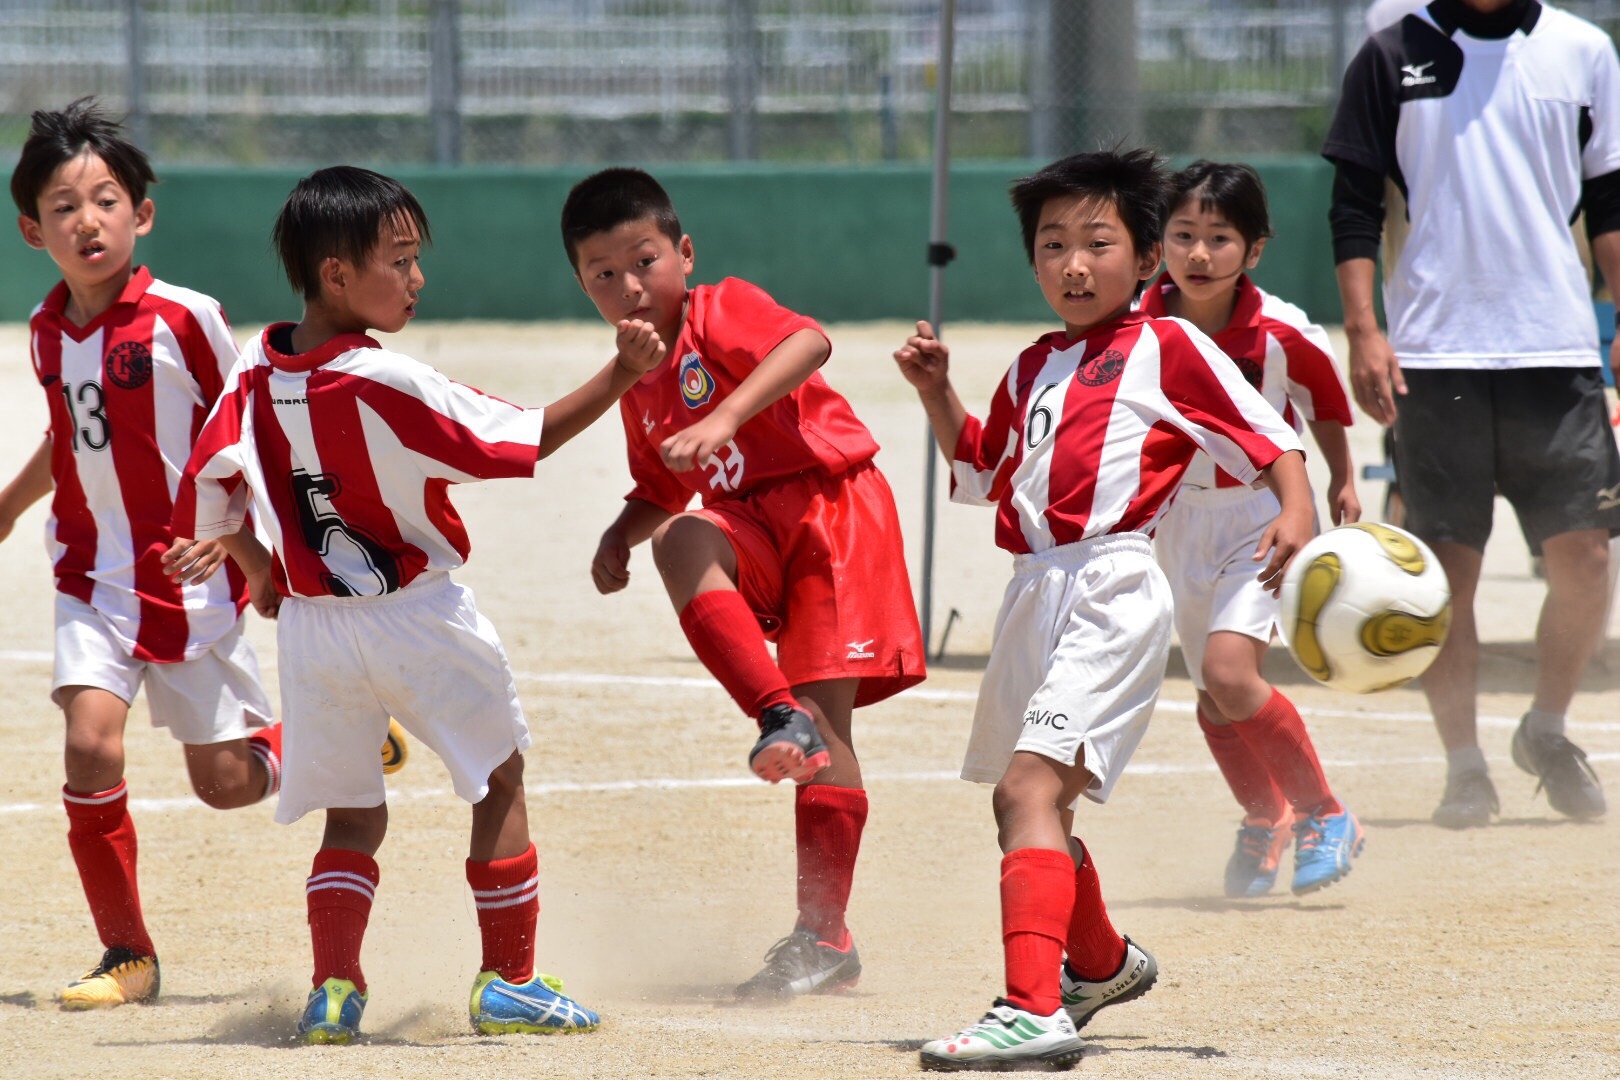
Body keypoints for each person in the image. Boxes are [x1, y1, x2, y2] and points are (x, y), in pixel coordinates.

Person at [165, 165, 654, 1043]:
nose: (418, 278)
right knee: (499, 777)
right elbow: (527, 438)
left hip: (315, 634)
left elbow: (212, 491)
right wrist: (619, 373)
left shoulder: (252, 368)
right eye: (401, 259)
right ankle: (508, 981)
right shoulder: (384, 380)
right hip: (418, 616)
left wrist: (265, 571)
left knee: (353, 811)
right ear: (336, 276)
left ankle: (335, 991)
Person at [894, 148, 1317, 1072]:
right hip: (1031, 590)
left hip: (1113, 586)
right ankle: (1096, 964)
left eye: (1098, 242)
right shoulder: (1034, 363)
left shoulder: (1165, 345)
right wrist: (937, 392)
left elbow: (1266, 434)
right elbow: (980, 472)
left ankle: (1029, 1009)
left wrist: (1297, 507)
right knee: (1020, 813)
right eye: (1053, 245)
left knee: (1030, 791)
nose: (1073, 265)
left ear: (1145, 260)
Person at [0, 97, 345, 1011]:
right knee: (88, 743)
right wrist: (6, 507)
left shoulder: (187, 319)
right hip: (89, 575)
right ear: (34, 229)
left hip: (192, 579)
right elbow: (74, 442)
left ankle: (306, 739)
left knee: (227, 787)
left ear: (141, 214)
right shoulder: (43, 330)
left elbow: (244, 430)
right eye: (64, 206)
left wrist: (248, 549)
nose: (88, 221)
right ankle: (127, 953)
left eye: (106, 199)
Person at [561, 167, 926, 999]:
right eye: (602, 275)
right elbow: (664, 482)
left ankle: (824, 937)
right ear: (583, 287)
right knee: (681, 539)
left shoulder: (716, 307)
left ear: (684, 255)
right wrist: (622, 531)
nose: (628, 286)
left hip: (833, 511)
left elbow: (810, 343)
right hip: (752, 521)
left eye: (643, 260)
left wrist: (726, 414)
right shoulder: (634, 375)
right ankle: (775, 713)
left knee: (834, 722)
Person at [1324, 0, 1619, 827]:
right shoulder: (1391, 51)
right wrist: (1364, 331)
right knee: (1446, 578)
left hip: (1554, 350)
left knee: (1587, 560)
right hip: (1434, 354)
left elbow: (1611, 202)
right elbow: (1351, 204)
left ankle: (1547, 729)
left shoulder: (1584, 50)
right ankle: (1464, 766)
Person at [1143, 160, 1364, 899]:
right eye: (1183, 235)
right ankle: (1262, 815)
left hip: (1262, 517)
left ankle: (1324, 812)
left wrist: (1341, 478)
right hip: (1176, 522)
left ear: (1255, 249)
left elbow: (1325, 405)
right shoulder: (1137, 326)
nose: (1199, 255)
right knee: (1213, 695)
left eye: (1219, 238)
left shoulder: (1282, 334)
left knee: (1232, 674)